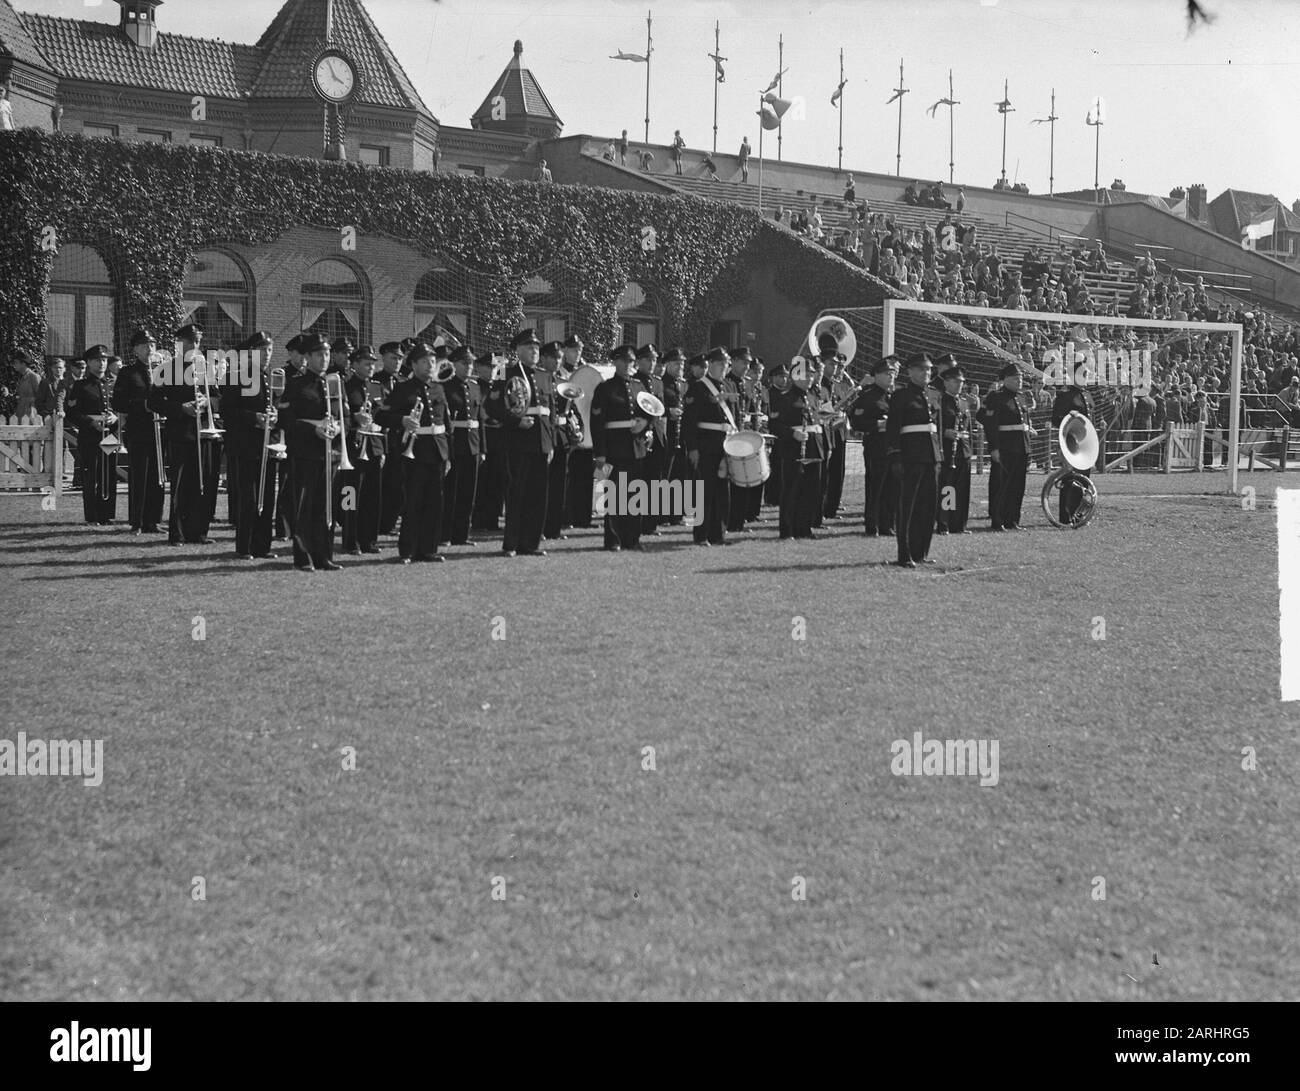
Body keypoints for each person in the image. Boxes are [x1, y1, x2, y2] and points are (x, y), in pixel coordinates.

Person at [380, 342, 450, 563]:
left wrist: (449, 456)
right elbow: (381, 417)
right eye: (424, 362)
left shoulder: (438, 388)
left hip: (437, 451)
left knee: (434, 503)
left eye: (432, 361)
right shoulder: (403, 388)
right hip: (415, 452)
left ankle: (428, 549)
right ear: (413, 364)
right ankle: (407, 550)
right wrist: (402, 420)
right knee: (413, 503)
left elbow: (445, 425)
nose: (430, 365)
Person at [280, 333, 345, 570]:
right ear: (307, 357)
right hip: (305, 452)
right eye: (319, 354)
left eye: (327, 354)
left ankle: (324, 555)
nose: (324, 359)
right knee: (304, 508)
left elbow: (344, 417)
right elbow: (286, 419)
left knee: (325, 507)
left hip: (329, 453)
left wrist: (337, 427)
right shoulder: (296, 384)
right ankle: (304, 557)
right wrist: (312, 430)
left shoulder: (334, 383)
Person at [149, 328, 214, 545]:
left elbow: (215, 397)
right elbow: (154, 402)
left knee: (200, 484)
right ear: (180, 343)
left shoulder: (204, 369)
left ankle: (197, 532)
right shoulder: (168, 369)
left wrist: (205, 402)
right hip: (179, 433)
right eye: (190, 342)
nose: (195, 347)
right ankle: (177, 533)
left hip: (202, 433)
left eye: (197, 342)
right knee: (179, 486)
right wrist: (180, 408)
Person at [493, 328, 555, 557]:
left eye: (537, 348)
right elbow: (494, 406)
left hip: (541, 442)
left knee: (538, 496)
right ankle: (511, 544)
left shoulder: (544, 375)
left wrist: (551, 444)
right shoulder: (504, 372)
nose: (535, 351)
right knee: (517, 494)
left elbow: (551, 413)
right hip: (518, 442)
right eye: (530, 347)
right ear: (518, 350)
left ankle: (531, 543)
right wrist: (515, 421)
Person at [222, 331, 281, 559]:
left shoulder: (267, 378)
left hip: (265, 445)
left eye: (269, 350)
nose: (267, 354)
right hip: (245, 446)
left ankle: (262, 546)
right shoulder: (237, 376)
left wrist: (273, 416)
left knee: (267, 497)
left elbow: (270, 407)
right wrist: (254, 417)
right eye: (262, 350)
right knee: (249, 498)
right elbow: (228, 411)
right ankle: (244, 546)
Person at [590, 344, 650, 551]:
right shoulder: (605, 388)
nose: (627, 365)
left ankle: (632, 539)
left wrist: (645, 424)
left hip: (636, 447)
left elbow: (650, 411)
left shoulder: (639, 386)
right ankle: (613, 539)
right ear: (615, 362)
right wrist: (600, 453)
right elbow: (597, 423)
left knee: (634, 495)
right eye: (623, 361)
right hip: (614, 448)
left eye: (631, 361)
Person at [886, 354, 941, 567]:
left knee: (928, 507)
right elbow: (893, 429)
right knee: (908, 507)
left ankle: (921, 552)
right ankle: (905, 554)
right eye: (920, 370)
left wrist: (939, 456)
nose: (925, 373)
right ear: (909, 371)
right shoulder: (901, 396)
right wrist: (895, 456)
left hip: (931, 456)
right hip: (911, 456)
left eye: (928, 370)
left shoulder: (931, 394)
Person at [111, 329, 165, 535]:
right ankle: (137, 521)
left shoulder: (162, 371)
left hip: (158, 430)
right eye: (144, 346)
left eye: (151, 345)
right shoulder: (128, 372)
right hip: (138, 429)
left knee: (157, 476)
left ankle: (154, 520)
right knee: (139, 476)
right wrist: (143, 405)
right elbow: (118, 402)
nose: (149, 349)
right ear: (135, 350)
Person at [682, 348, 733, 546]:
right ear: (710, 364)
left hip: (725, 444)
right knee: (704, 492)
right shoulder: (698, 388)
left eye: (726, 364)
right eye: (720, 364)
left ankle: (718, 534)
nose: (723, 367)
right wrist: (693, 448)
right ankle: (701, 535)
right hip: (706, 444)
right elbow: (689, 422)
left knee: (722, 491)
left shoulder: (727, 385)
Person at [771, 359, 826, 540]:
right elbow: (775, 425)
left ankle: (804, 528)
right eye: (805, 375)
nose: (810, 378)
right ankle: (787, 531)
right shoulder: (785, 398)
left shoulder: (812, 397)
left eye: (811, 374)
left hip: (813, 447)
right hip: (794, 449)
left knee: (810, 491)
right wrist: (791, 434)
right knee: (791, 490)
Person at [64, 345, 119, 525]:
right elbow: (72, 412)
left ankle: (107, 514)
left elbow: (121, 409)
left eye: (104, 360)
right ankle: (92, 516)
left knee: (109, 474)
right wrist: (90, 422)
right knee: (91, 476)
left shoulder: (113, 384)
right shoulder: (80, 386)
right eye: (97, 360)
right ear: (88, 363)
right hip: (89, 435)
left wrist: (115, 417)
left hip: (110, 435)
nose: (101, 363)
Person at [847, 356, 898, 536]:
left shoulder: (892, 396)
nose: (890, 377)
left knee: (891, 488)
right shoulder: (868, 396)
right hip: (876, 445)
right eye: (886, 374)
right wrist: (878, 425)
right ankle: (872, 525)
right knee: (875, 487)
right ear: (876, 375)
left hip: (892, 447)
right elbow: (857, 422)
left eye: (892, 374)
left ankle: (887, 524)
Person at [342, 344, 384, 555]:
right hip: (353, 448)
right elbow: (342, 417)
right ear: (355, 364)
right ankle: (350, 540)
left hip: (373, 447)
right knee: (350, 496)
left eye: (372, 364)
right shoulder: (346, 386)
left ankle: (369, 540)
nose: (370, 367)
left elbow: (382, 419)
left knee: (371, 497)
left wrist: (382, 449)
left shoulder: (377, 387)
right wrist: (354, 420)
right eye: (366, 364)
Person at [981, 363, 1033, 530]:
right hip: (1005, 447)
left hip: (1021, 447)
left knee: (1018, 487)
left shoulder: (1022, 397)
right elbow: (990, 424)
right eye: (1015, 378)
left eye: (1021, 378)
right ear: (1006, 380)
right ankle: (998, 520)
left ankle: (1012, 520)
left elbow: (1024, 424)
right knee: (1001, 486)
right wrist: (994, 448)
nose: (1019, 381)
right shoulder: (996, 397)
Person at [441, 344, 483, 546]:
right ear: (454, 364)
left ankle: (462, 535)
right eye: (464, 363)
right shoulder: (446, 386)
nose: (468, 366)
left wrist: (482, 448)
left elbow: (480, 419)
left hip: (472, 445)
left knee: (468, 493)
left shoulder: (475, 387)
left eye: (470, 363)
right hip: (454, 443)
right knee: (451, 492)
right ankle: (445, 534)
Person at [934, 356, 972, 535]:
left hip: (963, 450)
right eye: (955, 381)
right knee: (948, 489)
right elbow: (936, 427)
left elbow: (969, 428)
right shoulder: (941, 402)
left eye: (961, 382)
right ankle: (944, 522)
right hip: (948, 450)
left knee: (962, 489)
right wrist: (945, 433)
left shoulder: (963, 402)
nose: (959, 385)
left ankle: (959, 524)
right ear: (947, 382)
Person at [633, 343, 668, 535]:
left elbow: (660, 409)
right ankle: (636, 521)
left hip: (657, 434)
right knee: (638, 480)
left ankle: (650, 524)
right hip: (640, 436)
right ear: (638, 362)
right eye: (647, 359)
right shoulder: (634, 381)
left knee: (655, 481)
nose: (651, 363)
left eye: (653, 360)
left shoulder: (657, 382)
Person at [539, 340, 572, 541]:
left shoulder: (562, 381)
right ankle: (539, 527)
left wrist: (576, 428)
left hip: (561, 436)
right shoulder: (539, 379)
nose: (557, 361)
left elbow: (571, 409)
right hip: (544, 436)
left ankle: (554, 529)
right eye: (554, 357)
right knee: (542, 486)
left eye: (560, 358)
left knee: (559, 486)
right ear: (544, 358)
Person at [1050, 381, 1096, 525]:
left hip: (1084, 441)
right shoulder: (1065, 396)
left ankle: (1079, 515)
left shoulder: (1087, 395)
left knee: (1083, 479)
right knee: (1069, 480)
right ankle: (1066, 516)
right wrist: (1069, 417)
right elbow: (1056, 419)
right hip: (1070, 441)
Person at [12, 350, 40, 418]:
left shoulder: (33, 376)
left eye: (16, 362)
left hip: (31, 413)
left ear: (23, 364)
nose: (14, 365)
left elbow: (40, 397)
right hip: (21, 411)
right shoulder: (22, 377)